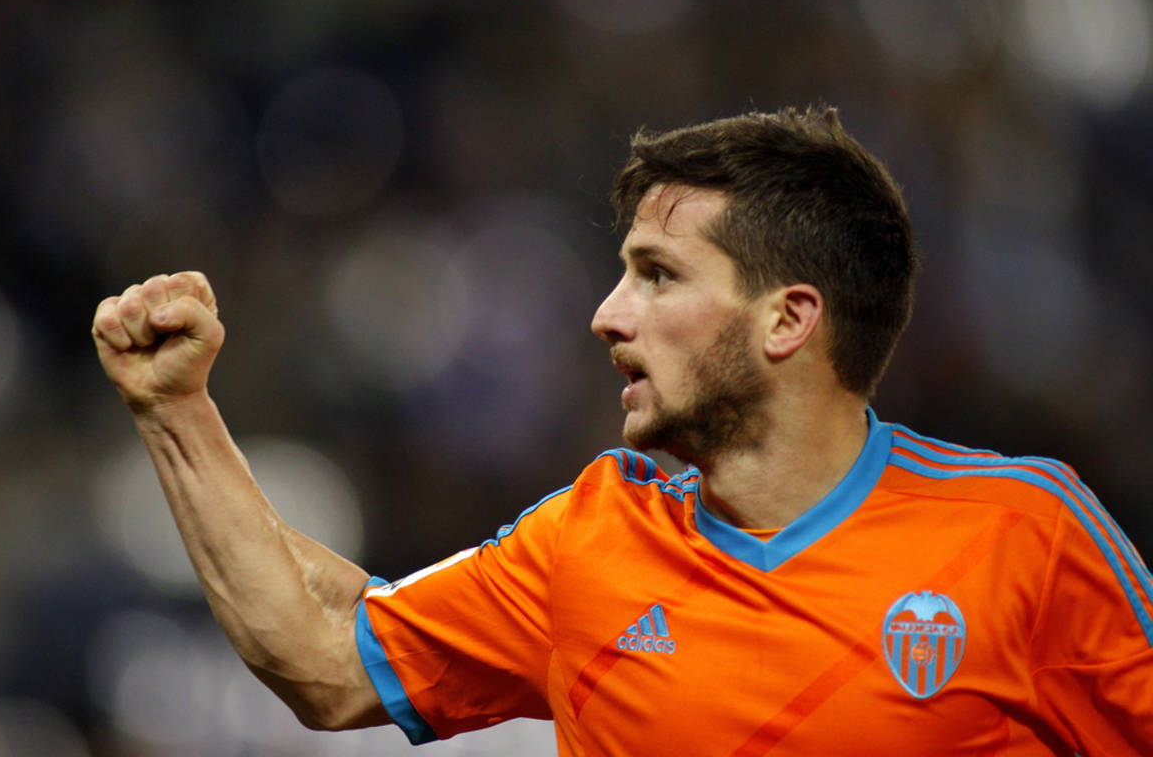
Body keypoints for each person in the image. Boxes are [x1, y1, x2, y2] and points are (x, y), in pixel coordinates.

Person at [92, 107, 1152, 755]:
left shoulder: (1024, 535)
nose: (607, 315)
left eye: (658, 276)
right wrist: (175, 411)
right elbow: (328, 660)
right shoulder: (592, 536)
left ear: (787, 319)